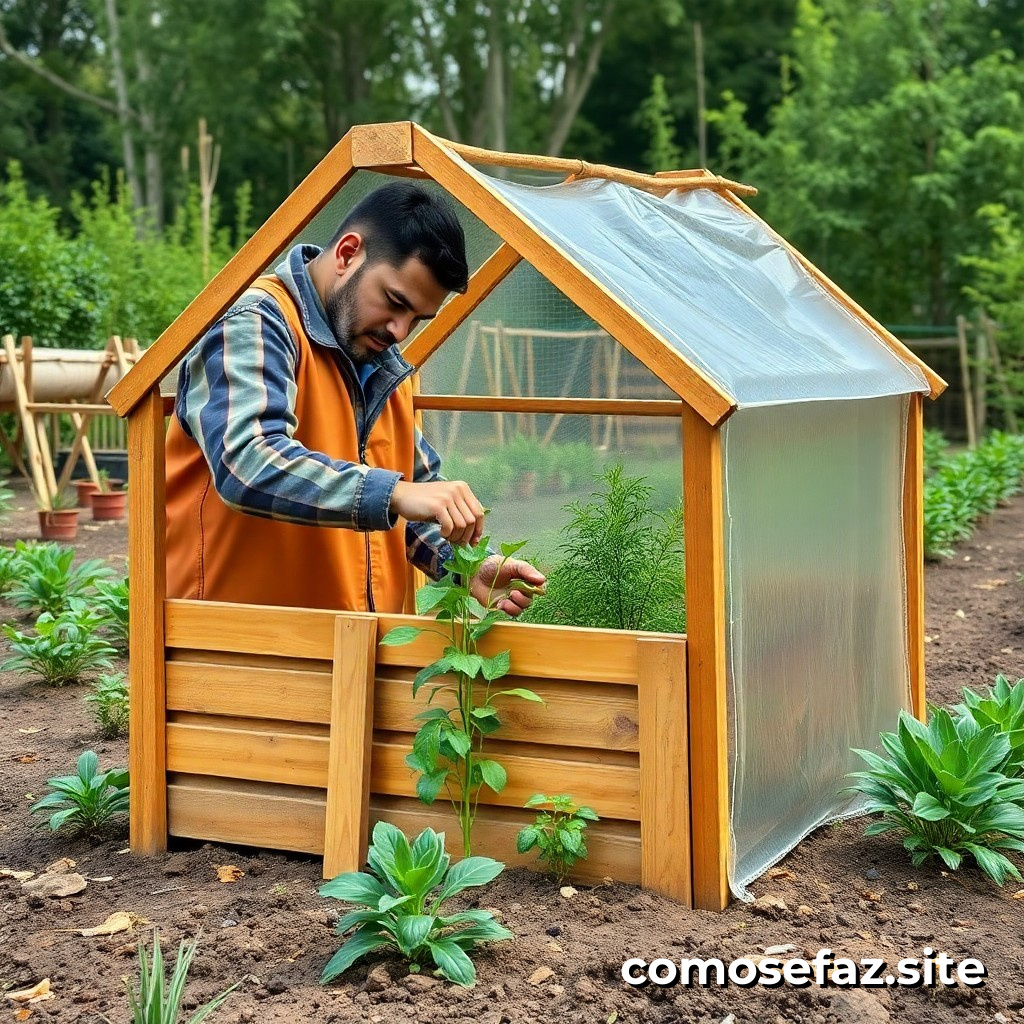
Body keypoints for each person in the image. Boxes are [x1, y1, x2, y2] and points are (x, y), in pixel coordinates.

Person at [164, 181, 545, 615]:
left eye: (417, 318)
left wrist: (469, 565)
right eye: (394, 301)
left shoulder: (382, 361)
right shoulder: (256, 324)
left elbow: (416, 498)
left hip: (351, 650)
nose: (400, 330)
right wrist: (396, 494)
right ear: (347, 253)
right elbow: (247, 462)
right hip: (237, 648)